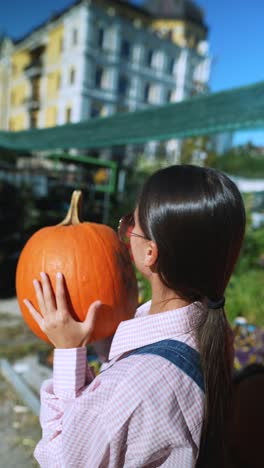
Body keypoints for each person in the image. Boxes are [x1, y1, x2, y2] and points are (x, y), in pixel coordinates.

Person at [24, 165, 246, 468]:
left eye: (131, 223)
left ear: (150, 253)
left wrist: (66, 351)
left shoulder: (131, 387)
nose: (126, 233)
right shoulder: (213, 330)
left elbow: (63, 459)